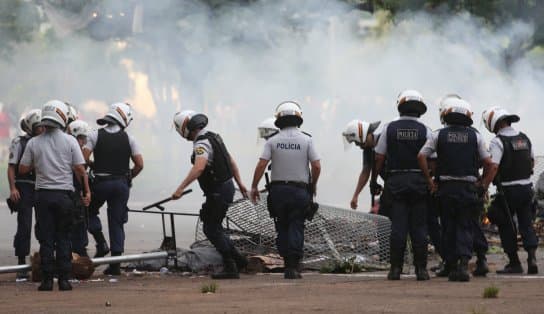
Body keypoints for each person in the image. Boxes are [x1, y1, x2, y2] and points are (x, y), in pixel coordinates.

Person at [418, 99, 494, 282]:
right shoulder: (476, 136)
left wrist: (429, 181)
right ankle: (462, 266)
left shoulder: (438, 135)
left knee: (448, 227)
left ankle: (450, 265)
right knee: (466, 226)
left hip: (446, 188)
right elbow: (489, 163)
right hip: (468, 189)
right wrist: (483, 184)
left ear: (446, 115)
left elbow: (422, 155)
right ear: (467, 116)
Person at [19, 100, 90, 291]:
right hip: (64, 197)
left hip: (42, 197)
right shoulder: (71, 141)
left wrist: (39, 163)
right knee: (64, 237)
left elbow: (23, 169)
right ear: (62, 117)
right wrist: (87, 191)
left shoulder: (34, 143)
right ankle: (64, 280)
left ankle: (47, 280)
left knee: (46, 238)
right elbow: (80, 169)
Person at [172, 110, 248, 279]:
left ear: (185, 127)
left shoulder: (201, 143)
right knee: (216, 227)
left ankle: (231, 267)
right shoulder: (215, 137)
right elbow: (231, 162)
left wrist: (180, 188)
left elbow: (199, 167)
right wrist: (240, 184)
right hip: (226, 187)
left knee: (211, 228)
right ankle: (240, 260)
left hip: (218, 191)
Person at [250, 101, 321, 279]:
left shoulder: (273, 140)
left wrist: (253, 186)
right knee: (297, 225)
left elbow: (261, 164)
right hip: (300, 191)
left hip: (278, 191)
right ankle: (293, 266)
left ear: (279, 120)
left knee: (281, 225)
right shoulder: (307, 139)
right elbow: (317, 166)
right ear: (299, 118)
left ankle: (287, 261)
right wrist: (313, 185)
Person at [373, 90, 431, 281]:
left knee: (398, 226)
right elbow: (432, 160)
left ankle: (395, 269)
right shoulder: (426, 130)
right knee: (419, 227)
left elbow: (379, 157)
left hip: (395, 182)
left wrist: (375, 181)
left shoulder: (389, 128)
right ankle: (421, 270)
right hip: (419, 183)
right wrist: (430, 180)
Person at [83, 103, 143, 275]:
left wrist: (95, 165)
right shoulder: (129, 138)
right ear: (124, 118)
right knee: (116, 221)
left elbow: (83, 158)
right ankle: (115, 264)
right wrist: (128, 176)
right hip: (121, 185)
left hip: (101, 183)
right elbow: (139, 164)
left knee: (89, 210)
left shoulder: (95, 135)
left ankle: (101, 242)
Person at [482, 106, 539, 274]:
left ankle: (514, 263)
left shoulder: (498, 141)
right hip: (527, 189)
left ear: (494, 123)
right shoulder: (524, 138)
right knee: (526, 224)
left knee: (504, 223)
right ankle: (531, 258)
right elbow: (532, 161)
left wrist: (484, 185)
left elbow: (493, 167)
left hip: (508, 191)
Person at [7, 109, 43, 279]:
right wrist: (13, 188)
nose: (41, 130)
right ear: (30, 127)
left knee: (45, 225)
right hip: (24, 187)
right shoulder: (19, 142)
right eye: (38, 127)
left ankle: (44, 261)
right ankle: (22, 264)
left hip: (42, 186)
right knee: (24, 226)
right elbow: (12, 167)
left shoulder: (45, 142)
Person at [341, 120, 381, 211]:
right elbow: (365, 172)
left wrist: (373, 183)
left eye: (356, 142)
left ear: (360, 136)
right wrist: (355, 196)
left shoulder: (383, 140)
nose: (357, 146)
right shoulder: (368, 150)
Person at [67, 120, 91, 257]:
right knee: (76, 227)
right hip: (73, 194)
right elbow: (80, 170)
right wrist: (86, 191)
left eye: (84, 139)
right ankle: (79, 256)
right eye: (81, 138)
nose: (83, 142)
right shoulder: (71, 150)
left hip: (75, 193)